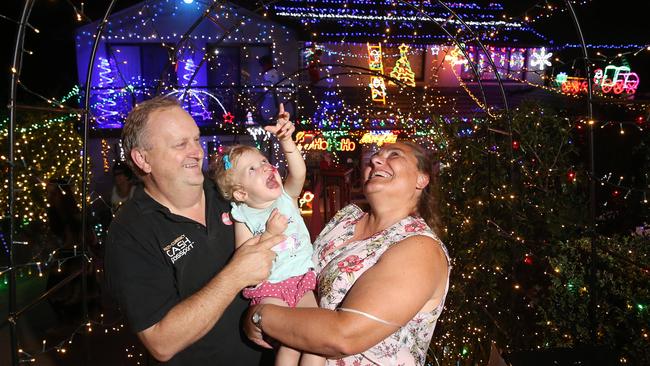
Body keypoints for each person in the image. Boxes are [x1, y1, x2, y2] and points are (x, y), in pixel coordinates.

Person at [104, 95, 284, 365]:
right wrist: (236, 273)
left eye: (196, 139)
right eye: (180, 144)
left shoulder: (229, 192)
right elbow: (161, 342)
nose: (197, 151)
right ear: (143, 159)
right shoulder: (130, 232)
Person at [244, 141, 451, 365]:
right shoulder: (346, 219)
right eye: (375, 156)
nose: (375, 160)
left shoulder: (420, 248)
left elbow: (345, 336)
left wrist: (260, 315)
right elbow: (306, 277)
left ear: (422, 179)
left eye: (394, 155)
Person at [210, 104, 324, 366]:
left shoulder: (286, 197)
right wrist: (270, 234)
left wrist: (286, 141)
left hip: (302, 280)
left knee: (316, 338)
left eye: (264, 161)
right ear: (241, 194)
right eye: (252, 170)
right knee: (289, 344)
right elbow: (244, 258)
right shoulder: (244, 215)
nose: (265, 167)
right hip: (271, 288)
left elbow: (299, 172)